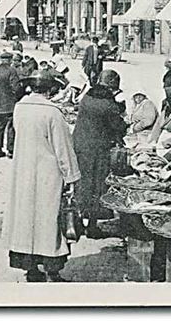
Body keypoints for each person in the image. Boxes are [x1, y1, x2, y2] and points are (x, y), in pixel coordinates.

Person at [2, 70, 81, 282]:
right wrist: (72, 177)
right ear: (49, 89)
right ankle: (52, 270)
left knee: (26, 219)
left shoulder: (20, 108)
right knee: (49, 220)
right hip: (48, 174)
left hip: (24, 170)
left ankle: (31, 269)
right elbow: (63, 149)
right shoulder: (53, 113)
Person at [72, 69, 128, 238]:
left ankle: (78, 222)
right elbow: (117, 126)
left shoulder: (87, 98)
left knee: (81, 183)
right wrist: (124, 122)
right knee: (97, 186)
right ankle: (92, 226)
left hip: (80, 145)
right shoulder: (108, 105)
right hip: (97, 150)